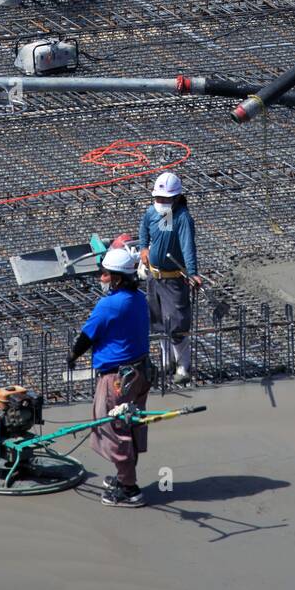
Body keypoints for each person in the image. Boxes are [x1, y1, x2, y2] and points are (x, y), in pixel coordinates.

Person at [68, 246, 152, 507]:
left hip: (116, 378)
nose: (101, 278)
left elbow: (86, 337)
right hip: (140, 372)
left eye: (105, 274)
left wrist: (72, 357)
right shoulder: (139, 298)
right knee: (131, 423)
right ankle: (124, 475)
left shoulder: (108, 305)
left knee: (115, 429)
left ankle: (130, 489)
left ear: (117, 277)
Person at [137, 170, 201, 385]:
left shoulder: (182, 217)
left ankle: (183, 366)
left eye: (164, 199)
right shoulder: (160, 213)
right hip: (154, 277)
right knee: (157, 322)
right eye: (157, 198)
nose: (160, 201)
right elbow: (146, 230)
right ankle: (167, 362)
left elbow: (187, 246)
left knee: (176, 324)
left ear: (175, 198)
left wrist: (192, 273)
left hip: (173, 280)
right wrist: (143, 249)